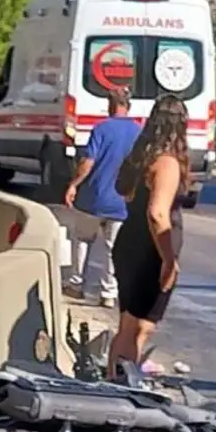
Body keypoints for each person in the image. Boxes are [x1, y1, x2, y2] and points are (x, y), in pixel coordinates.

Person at [109, 94, 189, 377]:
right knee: (139, 329)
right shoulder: (167, 163)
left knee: (129, 325)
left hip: (129, 244)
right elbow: (157, 214)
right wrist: (168, 260)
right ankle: (121, 383)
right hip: (148, 253)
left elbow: (123, 191)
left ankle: (116, 378)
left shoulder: (142, 157)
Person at [64, 87, 139, 309]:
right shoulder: (138, 132)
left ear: (110, 105)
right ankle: (109, 293)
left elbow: (88, 163)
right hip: (122, 201)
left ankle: (76, 285)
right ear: (128, 106)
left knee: (83, 239)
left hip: (93, 199)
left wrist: (74, 184)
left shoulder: (101, 129)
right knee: (112, 248)